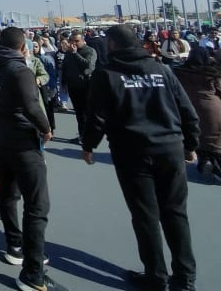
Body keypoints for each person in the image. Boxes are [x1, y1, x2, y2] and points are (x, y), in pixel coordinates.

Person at [82, 24, 199, 291]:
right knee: (175, 213)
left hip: (131, 151)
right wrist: (190, 144)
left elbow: (97, 118)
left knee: (145, 215)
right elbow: (187, 111)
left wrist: (88, 146)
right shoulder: (162, 70)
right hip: (169, 148)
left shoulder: (107, 74)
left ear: (111, 45)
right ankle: (185, 279)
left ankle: (156, 276)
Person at [0, 27, 61, 291]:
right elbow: (32, 105)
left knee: (9, 191)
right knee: (37, 205)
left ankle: (14, 244)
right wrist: (46, 129)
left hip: (1, 135)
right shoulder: (18, 69)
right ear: (23, 46)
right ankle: (33, 272)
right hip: (22, 140)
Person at [174, 46, 221, 177]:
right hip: (212, 108)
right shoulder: (212, 73)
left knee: (197, 135)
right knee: (216, 138)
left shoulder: (179, 71)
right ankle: (216, 162)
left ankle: (204, 161)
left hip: (188, 108)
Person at [60, 32, 97, 144]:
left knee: (86, 112)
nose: (74, 43)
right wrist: (63, 82)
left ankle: (88, 137)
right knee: (79, 113)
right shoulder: (69, 53)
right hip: (73, 86)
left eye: (76, 41)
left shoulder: (89, 51)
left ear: (83, 40)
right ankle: (82, 135)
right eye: (72, 41)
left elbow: (88, 66)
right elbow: (65, 67)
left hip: (85, 86)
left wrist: (76, 54)